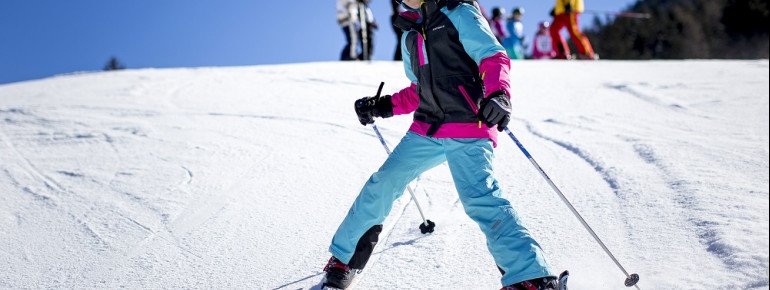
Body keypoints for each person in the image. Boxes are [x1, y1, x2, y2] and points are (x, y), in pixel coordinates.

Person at [320, 0, 559, 289]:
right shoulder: (410, 35)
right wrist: (382, 106)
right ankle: (344, 259)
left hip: (468, 121)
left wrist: (499, 94)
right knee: (383, 183)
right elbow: (418, 90)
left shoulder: (459, 12)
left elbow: (492, 55)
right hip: (428, 127)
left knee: (479, 197)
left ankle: (531, 277)